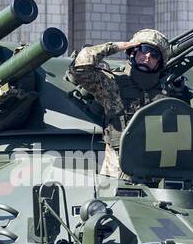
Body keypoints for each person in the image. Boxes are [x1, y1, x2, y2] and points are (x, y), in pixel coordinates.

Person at [69, 29, 171, 179]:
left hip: (156, 174)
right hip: (116, 173)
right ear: (132, 52)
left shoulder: (165, 96)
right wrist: (116, 47)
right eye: (143, 50)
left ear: (159, 62)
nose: (148, 56)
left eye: (154, 54)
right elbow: (79, 67)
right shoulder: (112, 86)